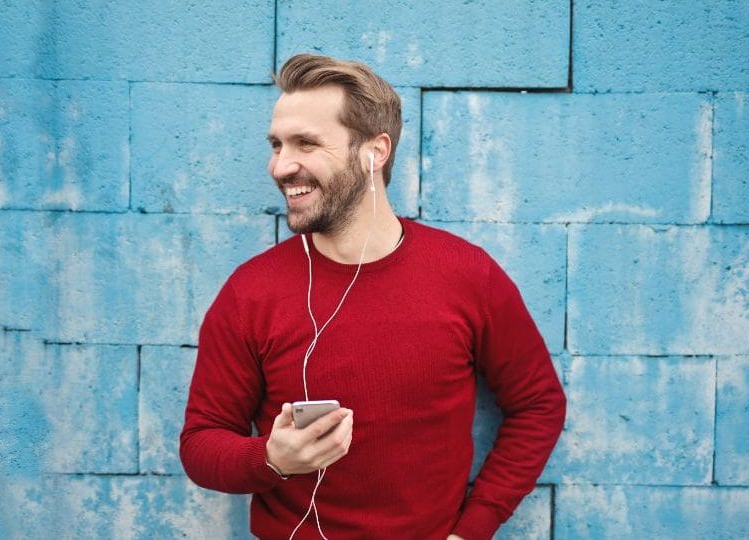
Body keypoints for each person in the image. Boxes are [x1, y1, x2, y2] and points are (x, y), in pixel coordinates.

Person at [180, 53, 566, 540]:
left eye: (306, 143)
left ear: (375, 151)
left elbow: (538, 404)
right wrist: (271, 459)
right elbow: (200, 444)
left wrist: (474, 527)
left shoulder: (467, 275)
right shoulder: (250, 293)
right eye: (277, 145)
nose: (281, 166)